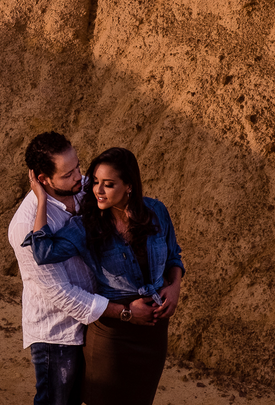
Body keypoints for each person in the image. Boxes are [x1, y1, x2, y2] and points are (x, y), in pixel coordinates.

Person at [23, 146, 184, 405]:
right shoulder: (87, 224)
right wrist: (41, 200)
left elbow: (174, 255)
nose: (97, 190)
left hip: (153, 332)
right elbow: (43, 252)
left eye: (108, 184)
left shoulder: (156, 211)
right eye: (95, 182)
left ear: (129, 185)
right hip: (113, 335)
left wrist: (175, 286)